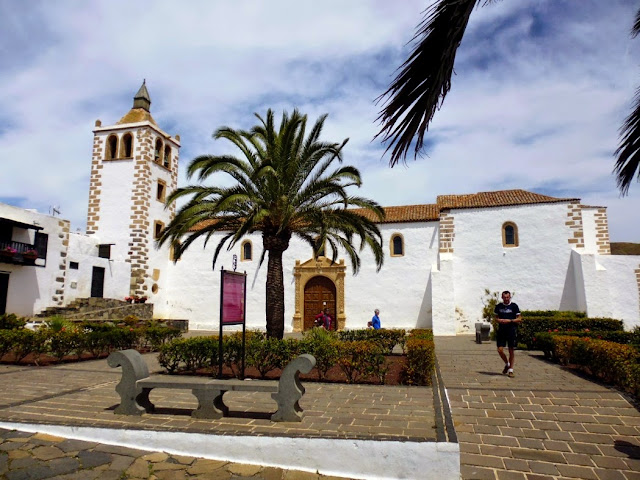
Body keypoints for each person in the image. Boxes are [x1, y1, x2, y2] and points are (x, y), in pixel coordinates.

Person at [494, 291, 521, 378]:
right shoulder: (498, 306)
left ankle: (511, 370)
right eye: (504, 297)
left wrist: (510, 321)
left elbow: (519, 318)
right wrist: (500, 320)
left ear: (510, 297)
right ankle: (507, 363)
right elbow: (496, 318)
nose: (506, 299)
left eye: (507, 297)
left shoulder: (514, 306)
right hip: (501, 331)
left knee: (511, 350)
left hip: (511, 330)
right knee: (500, 350)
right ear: (502, 297)